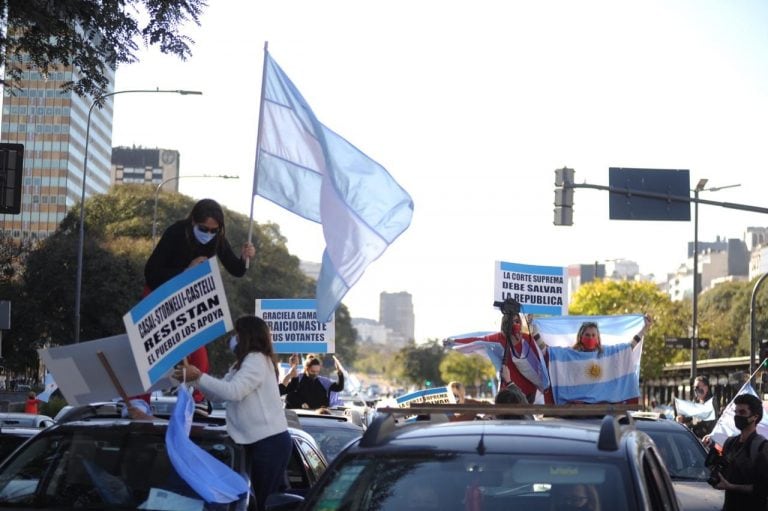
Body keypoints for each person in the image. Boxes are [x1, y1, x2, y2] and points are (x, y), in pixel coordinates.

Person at [145, 198, 256, 414]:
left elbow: (236, 269)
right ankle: (140, 400)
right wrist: (186, 270)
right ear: (192, 222)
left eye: (214, 230)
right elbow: (151, 272)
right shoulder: (176, 232)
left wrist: (244, 258)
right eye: (204, 228)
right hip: (160, 295)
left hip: (188, 300)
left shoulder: (218, 240)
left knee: (198, 353)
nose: (209, 234)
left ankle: (196, 398)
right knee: (153, 352)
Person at [173, 315, 290, 511]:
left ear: (247, 335)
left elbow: (234, 392)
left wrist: (199, 376)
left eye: (237, 333)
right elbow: (219, 395)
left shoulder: (256, 359)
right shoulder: (241, 364)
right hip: (255, 442)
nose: (234, 338)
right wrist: (193, 380)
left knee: (260, 503)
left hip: (269, 442)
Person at [447, 313, 543, 403]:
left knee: (526, 419)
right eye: (511, 321)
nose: (515, 324)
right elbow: (477, 340)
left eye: (517, 321)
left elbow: (540, 358)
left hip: (528, 392)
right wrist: (455, 341)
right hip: (507, 392)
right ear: (505, 323)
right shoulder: (497, 338)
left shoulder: (526, 339)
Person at [711, 393, 768, 510]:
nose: (737, 416)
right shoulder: (730, 443)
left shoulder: (762, 446)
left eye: (742, 412)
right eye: (736, 412)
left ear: (754, 417)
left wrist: (731, 487)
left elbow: (763, 488)